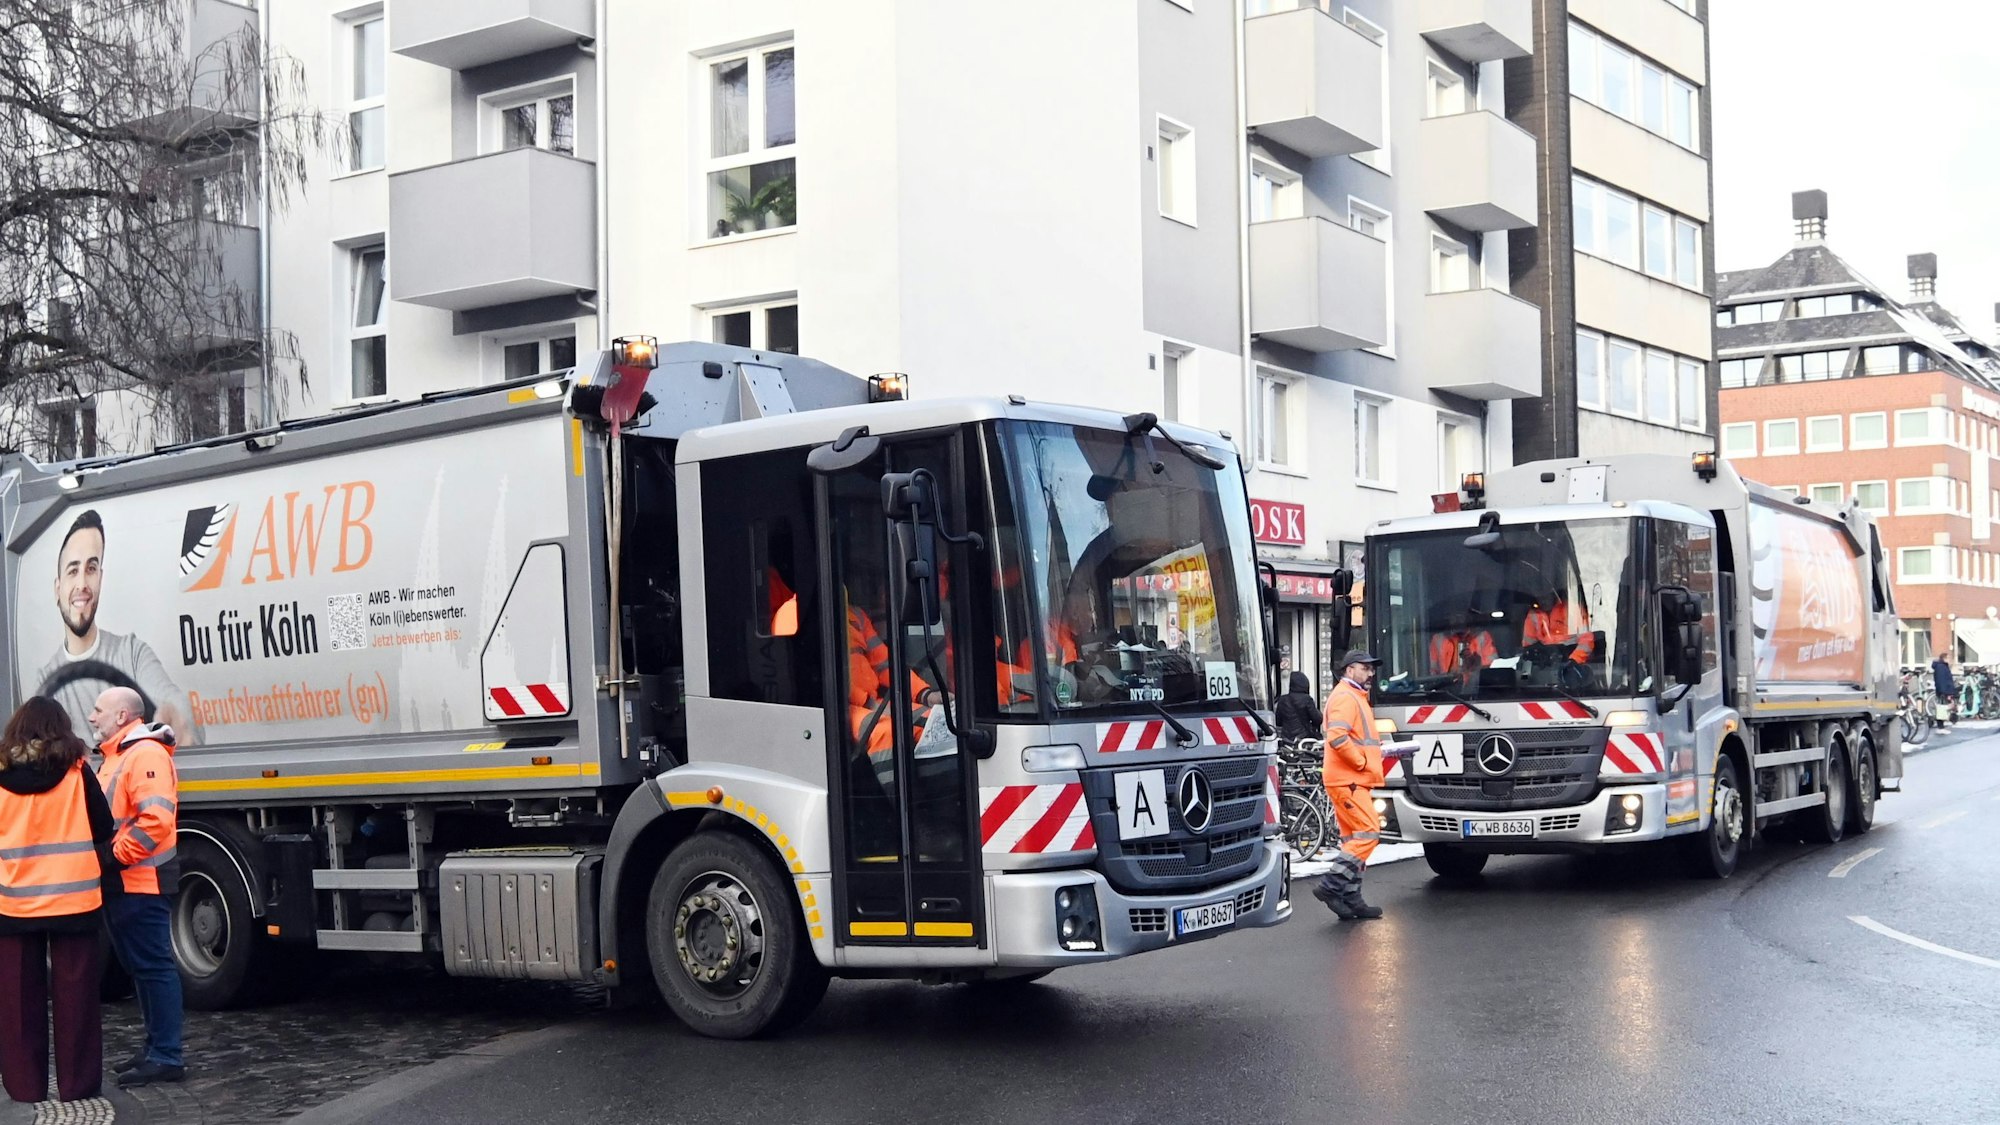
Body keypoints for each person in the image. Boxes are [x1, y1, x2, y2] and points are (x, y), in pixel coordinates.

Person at [0, 697, 115, 1105]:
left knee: (16, 1000)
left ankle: (25, 1086)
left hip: (14, 903)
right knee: (77, 997)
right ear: (61, 728)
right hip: (74, 898)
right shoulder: (77, 770)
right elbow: (103, 825)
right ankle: (77, 1085)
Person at [34, 511, 199, 744]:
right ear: (57, 589)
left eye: (91, 569)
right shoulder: (44, 682)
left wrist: (177, 718)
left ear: (100, 578)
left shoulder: (131, 652)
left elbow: (171, 700)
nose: (82, 584)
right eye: (73, 571)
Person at [88, 688, 184, 1087]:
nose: (93, 717)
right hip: (127, 881)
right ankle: (156, 1049)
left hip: (139, 880)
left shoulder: (143, 754)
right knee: (143, 970)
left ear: (123, 715)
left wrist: (114, 857)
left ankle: (166, 1055)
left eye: (99, 710)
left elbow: (156, 820)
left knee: (153, 968)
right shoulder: (120, 755)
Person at [1313, 651, 1387, 921]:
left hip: (1349, 779)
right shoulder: (1346, 696)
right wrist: (1360, 763)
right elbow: (1337, 738)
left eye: (1372, 669)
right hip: (1349, 779)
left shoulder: (1352, 696)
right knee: (1369, 833)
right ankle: (1332, 886)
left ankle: (1351, 897)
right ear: (1349, 670)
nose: (1371, 674)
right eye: (1365, 669)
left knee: (1355, 841)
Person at [1522, 589, 1596, 665]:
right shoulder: (1533, 615)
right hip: (1546, 664)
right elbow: (1528, 647)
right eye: (1539, 596)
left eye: (1545, 595)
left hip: (1572, 661)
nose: (1542, 600)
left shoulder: (1572, 609)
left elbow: (1587, 641)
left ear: (1554, 593)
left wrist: (1574, 661)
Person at [1428, 621, 1497, 682]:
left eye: (1461, 614)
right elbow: (1432, 672)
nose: (1458, 618)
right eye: (1455, 613)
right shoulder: (1438, 639)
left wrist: (1475, 665)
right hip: (1445, 688)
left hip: (1477, 687)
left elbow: (1492, 669)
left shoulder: (1483, 637)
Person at [1274, 671, 1323, 744]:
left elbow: (1278, 722)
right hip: (1303, 740)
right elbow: (1317, 719)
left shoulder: (1282, 700)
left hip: (1286, 740)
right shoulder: (1307, 699)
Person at [1931, 654, 1956, 729]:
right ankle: (1940, 726)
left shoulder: (1942, 667)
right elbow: (1941, 681)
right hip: (1944, 691)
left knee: (1943, 707)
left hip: (1944, 690)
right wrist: (1944, 692)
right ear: (1944, 658)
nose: (1950, 660)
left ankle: (1943, 723)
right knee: (1942, 708)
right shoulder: (1941, 667)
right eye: (1948, 658)